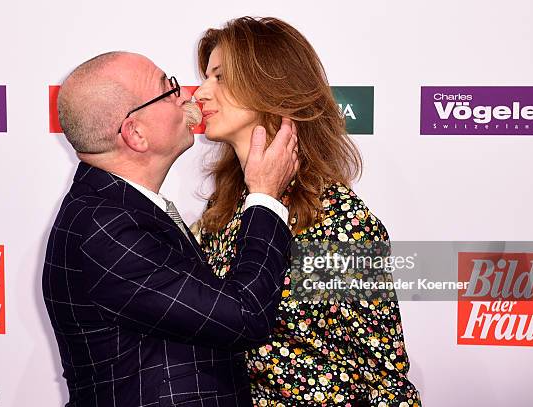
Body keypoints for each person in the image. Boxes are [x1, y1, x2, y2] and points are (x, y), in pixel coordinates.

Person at [42, 51, 299, 407]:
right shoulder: (109, 229)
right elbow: (245, 316)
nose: (190, 95)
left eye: (220, 78)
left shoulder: (120, 209)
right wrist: (266, 195)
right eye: (168, 88)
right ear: (135, 133)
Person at [193, 17, 422, 406]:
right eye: (205, 77)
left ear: (270, 85)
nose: (200, 92)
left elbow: (383, 376)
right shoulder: (224, 208)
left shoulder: (335, 219)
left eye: (220, 77)